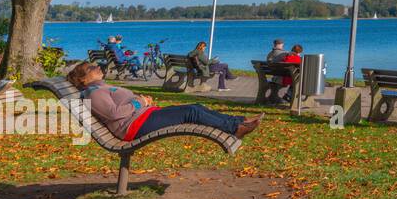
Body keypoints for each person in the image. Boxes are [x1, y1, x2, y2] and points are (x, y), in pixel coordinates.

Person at [67, 60, 260, 141]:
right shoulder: (94, 93)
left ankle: (238, 121)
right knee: (192, 111)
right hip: (134, 126)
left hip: (142, 117)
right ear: (84, 79)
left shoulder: (101, 87)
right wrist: (140, 102)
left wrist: (143, 102)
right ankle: (235, 128)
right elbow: (114, 114)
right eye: (91, 68)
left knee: (197, 107)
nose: (96, 67)